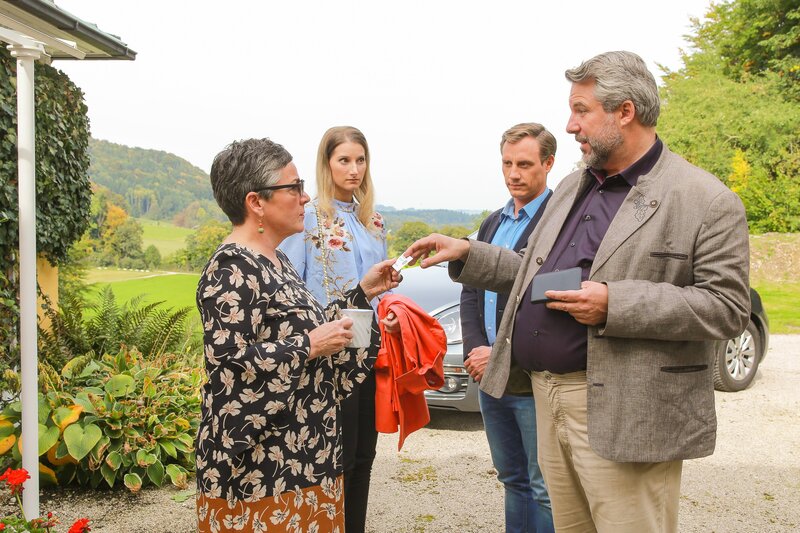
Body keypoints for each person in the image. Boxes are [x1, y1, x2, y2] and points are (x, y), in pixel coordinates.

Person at [404, 51, 751, 532]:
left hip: (626, 411)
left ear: (625, 111)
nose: (570, 126)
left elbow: (727, 307)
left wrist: (614, 304)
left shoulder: (705, 199)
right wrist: (468, 251)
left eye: (581, 110)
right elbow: (537, 273)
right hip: (547, 397)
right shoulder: (573, 186)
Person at [195, 138, 400, 533]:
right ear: (256, 202)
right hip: (260, 469)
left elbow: (306, 325)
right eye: (294, 187)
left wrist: (363, 292)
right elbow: (230, 365)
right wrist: (309, 346)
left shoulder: (276, 259)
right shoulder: (231, 269)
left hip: (301, 454)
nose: (305, 197)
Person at [281, 126, 391, 533]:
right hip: (328, 351)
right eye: (344, 160)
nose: (354, 169)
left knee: (364, 455)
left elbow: (378, 290)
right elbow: (290, 286)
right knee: (334, 457)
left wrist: (390, 312)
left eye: (360, 160)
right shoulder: (308, 219)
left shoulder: (373, 221)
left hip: (369, 348)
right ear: (327, 164)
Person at [460, 122, 555, 533]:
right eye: (507, 163)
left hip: (531, 377)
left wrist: (500, 353)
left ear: (548, 163)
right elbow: (470, 291)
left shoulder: (559, 222)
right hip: (488, 375)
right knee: (512, 479)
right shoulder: (492, 223)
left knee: (543, 485)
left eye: (525, 164)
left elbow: (550, 299)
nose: (514, 174)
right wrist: (476, 350)